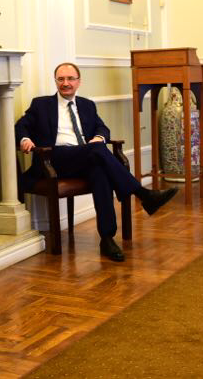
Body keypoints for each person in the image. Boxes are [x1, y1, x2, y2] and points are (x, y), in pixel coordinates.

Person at [15, 62, 177, 262]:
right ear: (55, 81)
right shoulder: (41, 105)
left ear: (79, 82)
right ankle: (143, 194)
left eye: (70, 79)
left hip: (83, 158)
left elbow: (103, 128)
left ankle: (107, 238)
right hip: (54, 159)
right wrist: (25, 139)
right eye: (61, 79)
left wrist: (99, 137)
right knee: (98, 150)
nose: (65, 83)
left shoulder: (87, 105)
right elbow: (21, 126)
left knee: (100, 170)